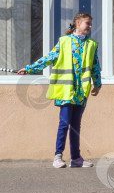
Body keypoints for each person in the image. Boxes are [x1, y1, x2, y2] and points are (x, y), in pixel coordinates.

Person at [18, 12, 101, 168]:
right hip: (65, 91)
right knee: (64, 123)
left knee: (76, 126)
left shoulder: (92, 44)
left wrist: (97, 84)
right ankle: (58, 157)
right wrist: (29, 69)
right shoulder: (64, 42)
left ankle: (76, 158)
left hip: (81, 93)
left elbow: (95, 66)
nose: (90, 26)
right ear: (77, 23)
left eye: (91, 24)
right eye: (87, 23)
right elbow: (48, 58)